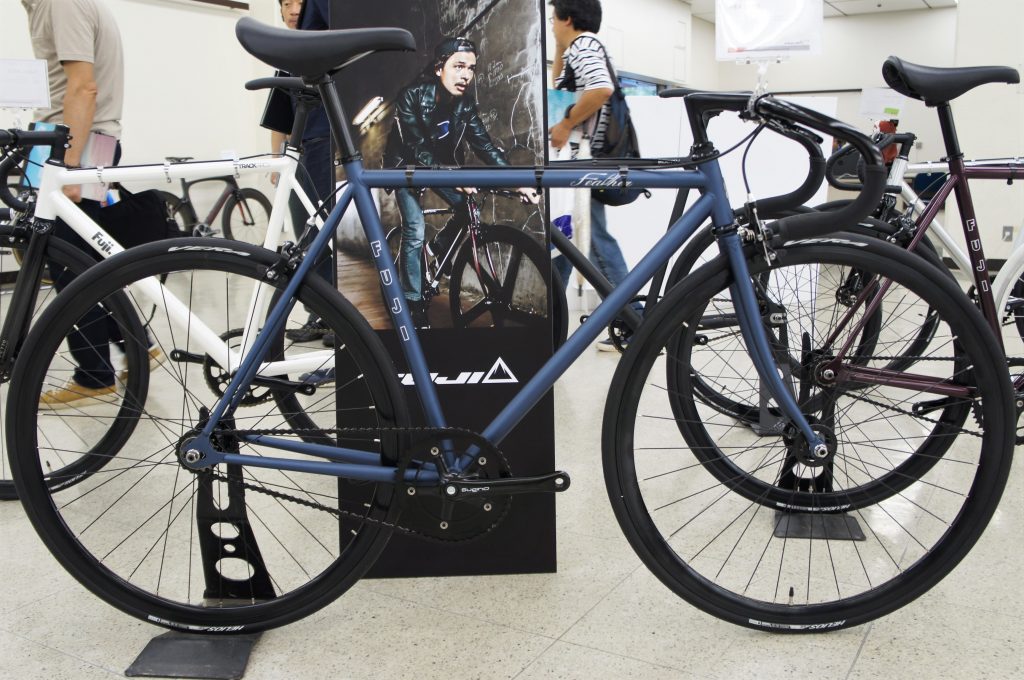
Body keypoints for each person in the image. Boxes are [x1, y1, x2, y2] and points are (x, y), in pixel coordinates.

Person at [23, 0, 160, 408]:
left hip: (75, 143)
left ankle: (94, 374)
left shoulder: (61, 3)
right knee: (87, 260)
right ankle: (137, 345)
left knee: (68, 265)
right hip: (88, 141)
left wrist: (68, 165)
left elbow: (84, 86)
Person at [383, 37, 538, 328]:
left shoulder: (464, 105)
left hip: (441, 167)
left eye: (471, 68)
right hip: (406, 167)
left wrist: (519, 182)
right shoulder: (411, 96)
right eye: (458, 66)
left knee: (468, 209)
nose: (466, 75)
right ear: (439, 68)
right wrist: (454, 177)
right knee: (414, 228)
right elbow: (416, 147)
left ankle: (435, 250)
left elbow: (485, 146)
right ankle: (413, 303)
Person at [548, 0, 635, 351]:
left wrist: (566, 123)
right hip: (582, 163)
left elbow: (601, 89)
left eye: (553, 19)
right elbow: (559, 87)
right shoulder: (578, 47)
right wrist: (559, 45)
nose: (551, 25)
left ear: (567, 18)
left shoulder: (584, 45)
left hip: (587, 162)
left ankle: (634, 324)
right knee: (568, 238)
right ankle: (551, 325)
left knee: (590, 241)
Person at [261, 0, 337, 344]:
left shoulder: (323, 45)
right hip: (298, 152)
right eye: (286, 3)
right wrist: (277, 161)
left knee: (321, 233)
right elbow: (279, 115)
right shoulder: (285, 56)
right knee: (304, 235)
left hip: (324, 146)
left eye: (299, 2)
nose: (294, 9)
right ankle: (319, 315)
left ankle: (334, 318)